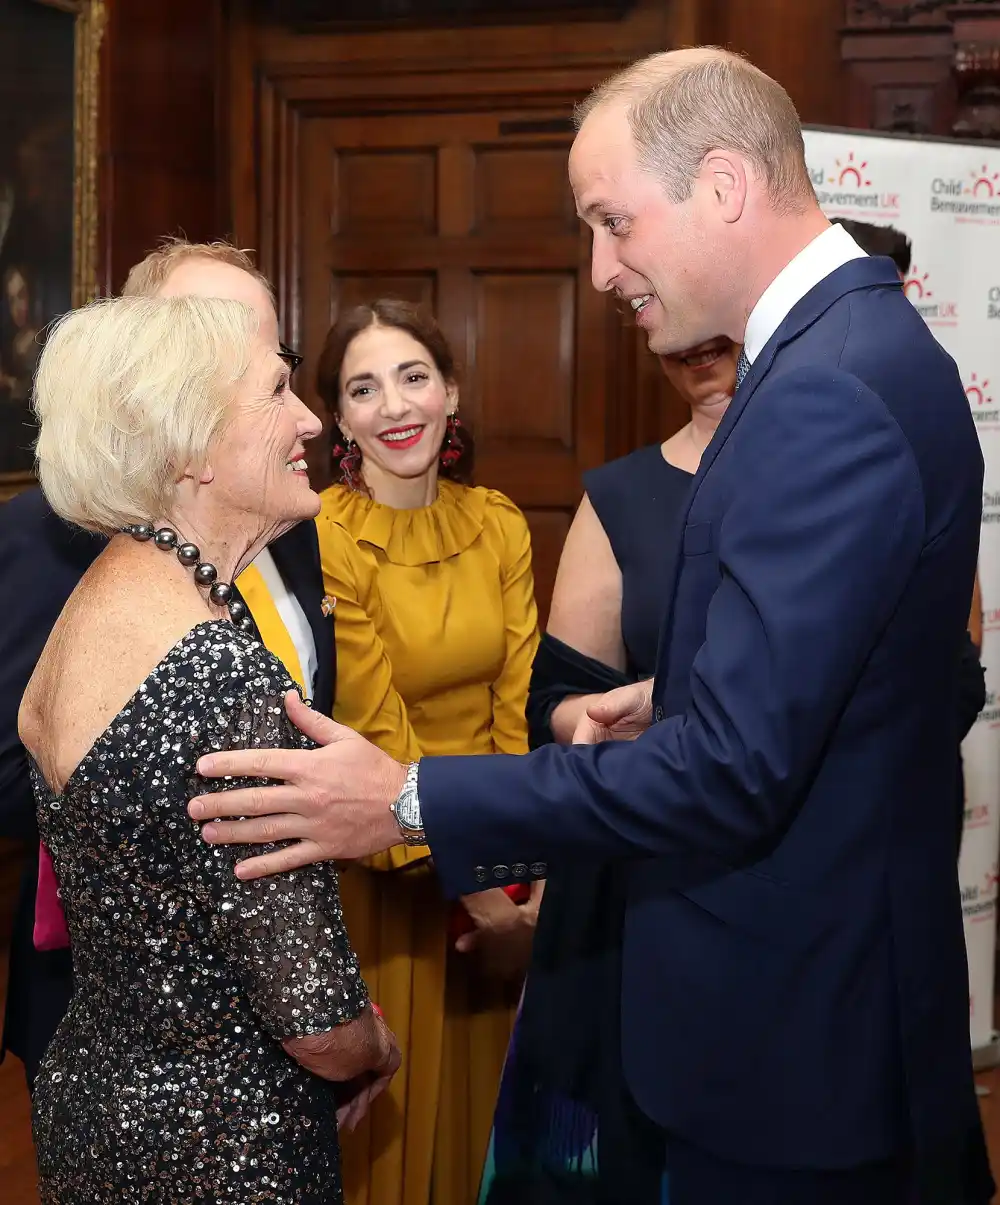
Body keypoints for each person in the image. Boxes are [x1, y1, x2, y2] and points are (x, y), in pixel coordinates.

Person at [190, 48, 994, 1205]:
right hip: (823, 998)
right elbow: (866, 676)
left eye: (614, 221)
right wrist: (677, 700)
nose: (602, 267)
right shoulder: (858, 350)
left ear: (721, 186)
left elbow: (736, 770)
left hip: (796, 1029)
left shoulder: (824, 388)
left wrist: (411, 797)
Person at [20, 293, 399, 1205]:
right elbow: (316, 1025)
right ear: (192, 446)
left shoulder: (91, 606)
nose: (312, 417)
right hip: (218, 1140)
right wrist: (377, 1045)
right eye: (277, 390)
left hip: (91, 1101)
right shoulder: (218, 670)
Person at [0, 239, 337, 1094]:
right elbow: (20, 760)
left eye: (270, 357)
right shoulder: (51, 537)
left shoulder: (290, 528)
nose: (291, 408)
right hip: (120, 1023)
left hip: (268, 1008)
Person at [480, 336, 739, 1201]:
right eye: (676, 345)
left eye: (717, 338)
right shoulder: (621, 495)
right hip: (634, 877)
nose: (697, 355)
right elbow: (554, 697)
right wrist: (611, 717)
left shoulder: (819, 476)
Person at [314, 299, 541, 1205]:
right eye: (362, 388)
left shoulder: (500, 523)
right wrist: (488, 904)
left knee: (486, 1132)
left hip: (503, 871)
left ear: (450, 393)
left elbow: (516, 710)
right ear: (338, 418)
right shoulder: (323, 533)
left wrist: (535, 891)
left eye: (413, 377)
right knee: (392, 1160)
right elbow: (376, 728)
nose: (394, 405)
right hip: (387, 881)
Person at [834, 216, 986, 853]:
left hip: (918, 750)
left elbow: (959, 569)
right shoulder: (799, 409)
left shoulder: (930, 401)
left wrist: (959, 676)